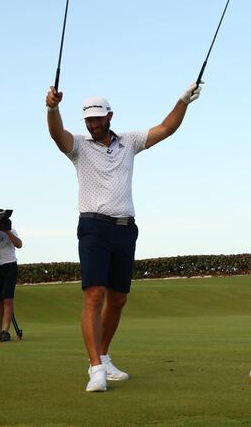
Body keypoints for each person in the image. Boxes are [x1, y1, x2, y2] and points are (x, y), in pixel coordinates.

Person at [45, 81, 202, 392]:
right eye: (88, 119)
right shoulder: (79, 146)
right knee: (94, 295)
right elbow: (56, 135)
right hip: (93, 227)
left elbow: (166, 128)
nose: (93, 124)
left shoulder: (128, 142)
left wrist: (183, 100)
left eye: (98, 118)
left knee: (118, 299)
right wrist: (52, 108)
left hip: (125, 228)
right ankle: (94, 369)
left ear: (110, 116)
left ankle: (103, 358)